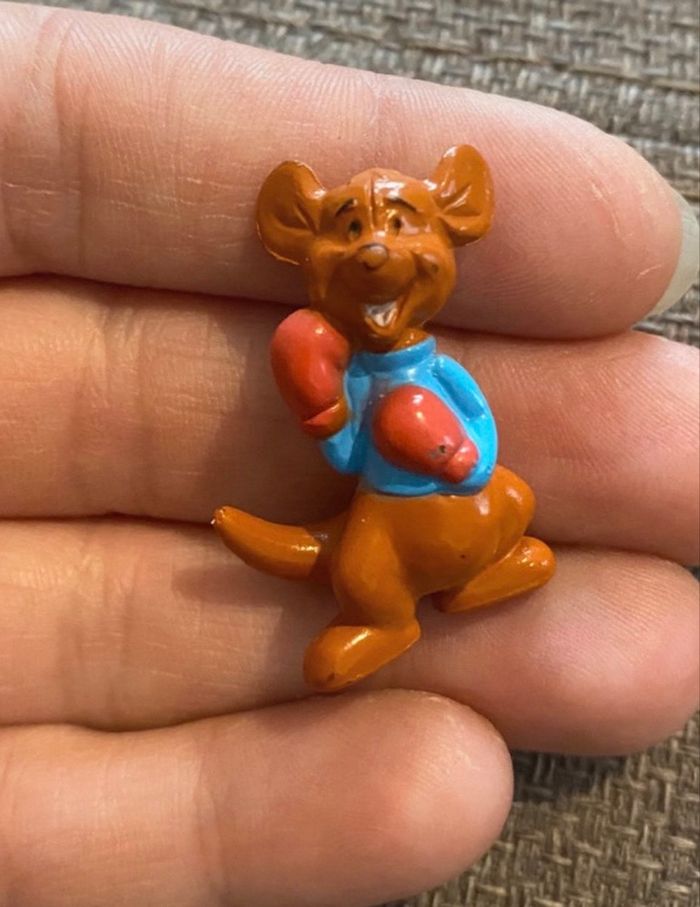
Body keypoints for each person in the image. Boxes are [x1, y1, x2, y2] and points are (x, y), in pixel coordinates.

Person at [0, 5, 697, 906]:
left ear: (455, 223)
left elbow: (478, 427)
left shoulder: (436, 371)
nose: (374, 249)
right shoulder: (347, 368)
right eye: (350, 229)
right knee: (360, 565)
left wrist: (463, 456)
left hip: (473, 502)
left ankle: (505, 565)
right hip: (386, 521)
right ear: (297, 237)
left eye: (401, 224)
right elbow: (344, 459)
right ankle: (394, 619)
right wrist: (321, 405)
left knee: (513, 500)